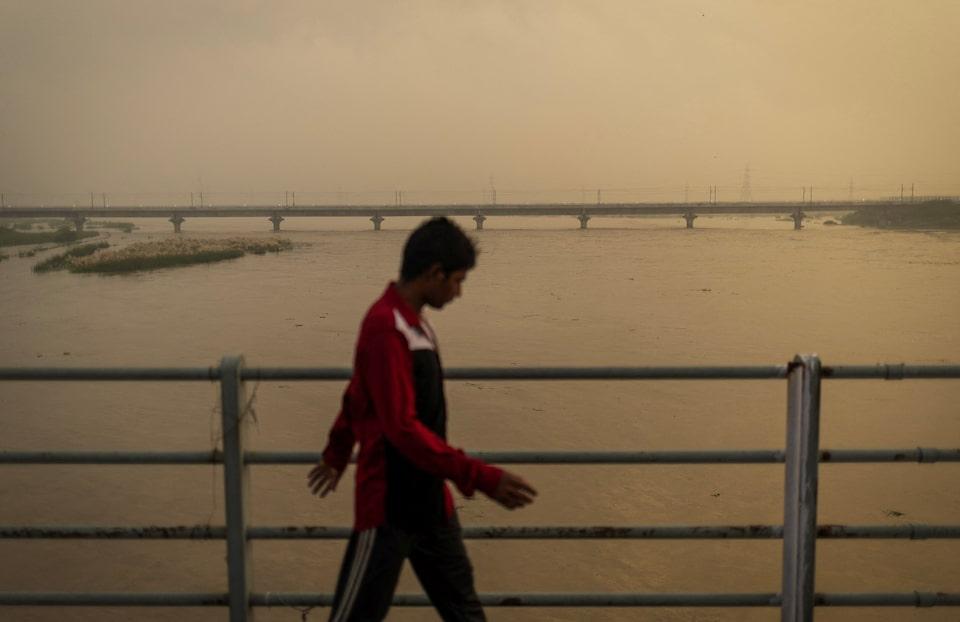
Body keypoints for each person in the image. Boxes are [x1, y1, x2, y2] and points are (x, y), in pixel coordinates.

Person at [308, 217, 537, 621]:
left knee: (465, 613)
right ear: (434, 273)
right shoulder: (386, 327)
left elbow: (360, 394)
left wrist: (337, 451)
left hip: (431, 504)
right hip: (388, 508)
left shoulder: (414, 324)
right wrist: (480, 476)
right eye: (458, 281)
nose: (459, 292)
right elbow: (400, 427)